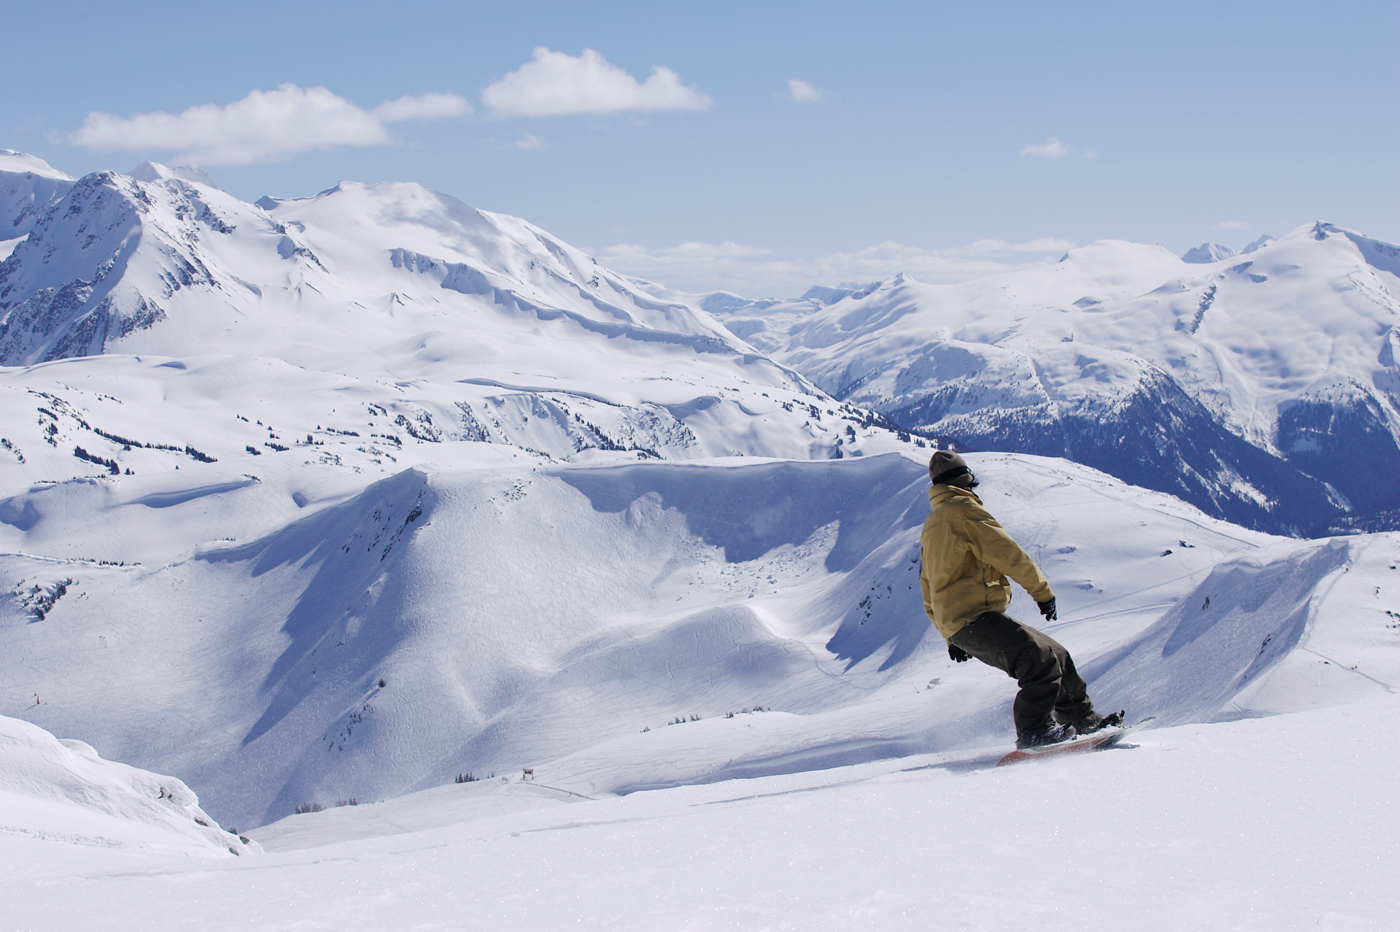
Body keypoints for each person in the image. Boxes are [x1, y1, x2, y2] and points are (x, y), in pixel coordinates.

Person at [919, 450, 1122, 748]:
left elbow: (927, 585)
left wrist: (949, 636)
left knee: (1058, 654)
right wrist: (1041, 592)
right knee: (1038, 661)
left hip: (965, 621)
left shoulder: (933, 522)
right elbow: (1007, 553)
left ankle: (1081, 719)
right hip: (972, 617)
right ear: (966, 481)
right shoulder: (963, 512)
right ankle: (1034, 731)